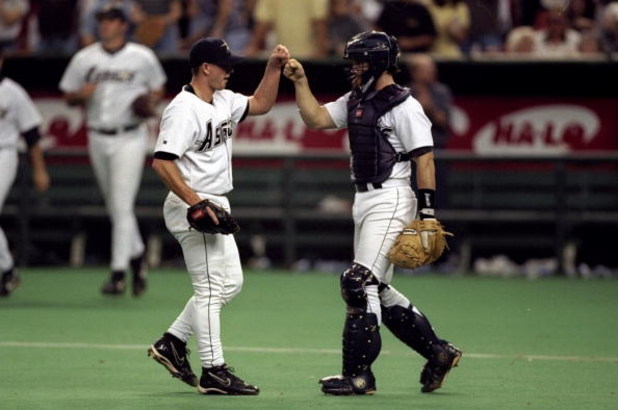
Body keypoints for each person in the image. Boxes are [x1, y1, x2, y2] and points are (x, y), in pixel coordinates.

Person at [283, 31, 462, 395]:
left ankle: (359, 375)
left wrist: (427, 213)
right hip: (364, 200)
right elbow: (316, 118)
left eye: (360, 61)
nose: (354, 67)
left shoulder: (404, 105)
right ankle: (438, 351)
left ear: (380, 62)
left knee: (356, 282)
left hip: (392, 198)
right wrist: (301, 81)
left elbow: (424, 158)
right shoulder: (357, 98)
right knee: (374, 288)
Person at [146, 37, 289, 395]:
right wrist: (196, 203)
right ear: (205, 68)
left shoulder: (223, 99)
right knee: (210, 289)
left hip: (215, 201)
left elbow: (261, 103)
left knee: (231, 284)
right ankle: (214, 371)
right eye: (225, 66)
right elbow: (162, 163)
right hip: (191, 204)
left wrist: (272, 68)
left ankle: (173, 342)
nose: (231, 70)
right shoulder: (182, 109)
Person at [59, 5, 167, 296]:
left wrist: (148, 102)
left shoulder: (141, 56)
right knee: (115, 206)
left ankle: (118, 273)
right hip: (97, 135)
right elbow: (67, 93)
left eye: (111, 20)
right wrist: (80, 95)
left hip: (129, 136)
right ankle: (138, 256)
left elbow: (158, 87)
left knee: (120, 205)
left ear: (123, 25)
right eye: (102, 21)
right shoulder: (85, 58)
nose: (105, 25)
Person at [0, 45, 50, 296]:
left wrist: (39, 170)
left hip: (4, 152)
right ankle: (7, 270)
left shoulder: (12, 92)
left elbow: (31, 134)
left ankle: (7, 269)